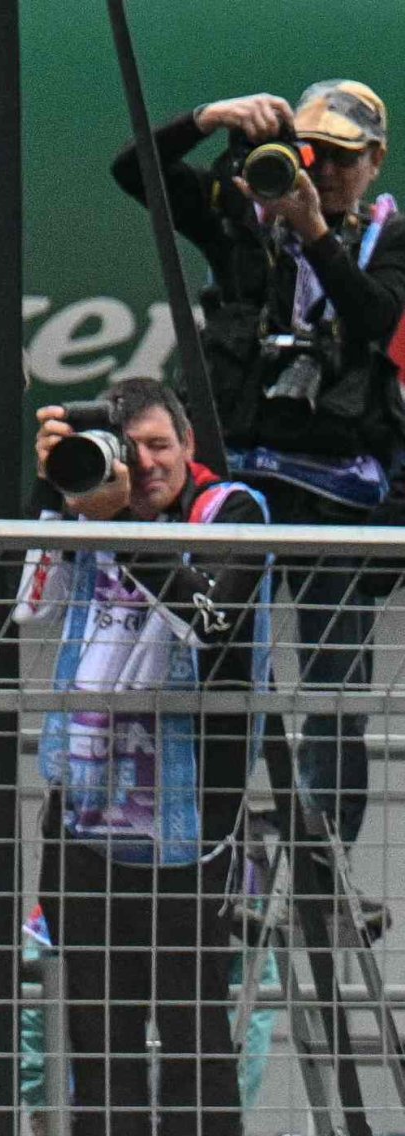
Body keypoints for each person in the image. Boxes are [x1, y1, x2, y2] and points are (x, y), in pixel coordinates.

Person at [16, 379, 268, 1136]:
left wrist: (126, 524)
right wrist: (52, 484)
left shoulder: (231, 508)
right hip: (84, 820)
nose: (145, 466)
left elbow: (210, 618)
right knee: (97, 1028)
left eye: (159, 446)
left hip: (186, 830)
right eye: (130, 450)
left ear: (186, 443)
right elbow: (26, 603)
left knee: (191, 1027)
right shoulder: (88, 512)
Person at [117, 81, 405, 843]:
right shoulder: (242, 220)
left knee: (335, 692)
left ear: (376, 161)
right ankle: (218, 848)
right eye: (314, 155)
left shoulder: (393, 238)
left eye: (346, 158)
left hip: (338, 497)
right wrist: (205, 118)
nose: (326, 172)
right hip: (240, 483)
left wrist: (314, 232)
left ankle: (325, 863)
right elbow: (130, 170)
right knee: (216, 673)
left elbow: (379, 322)